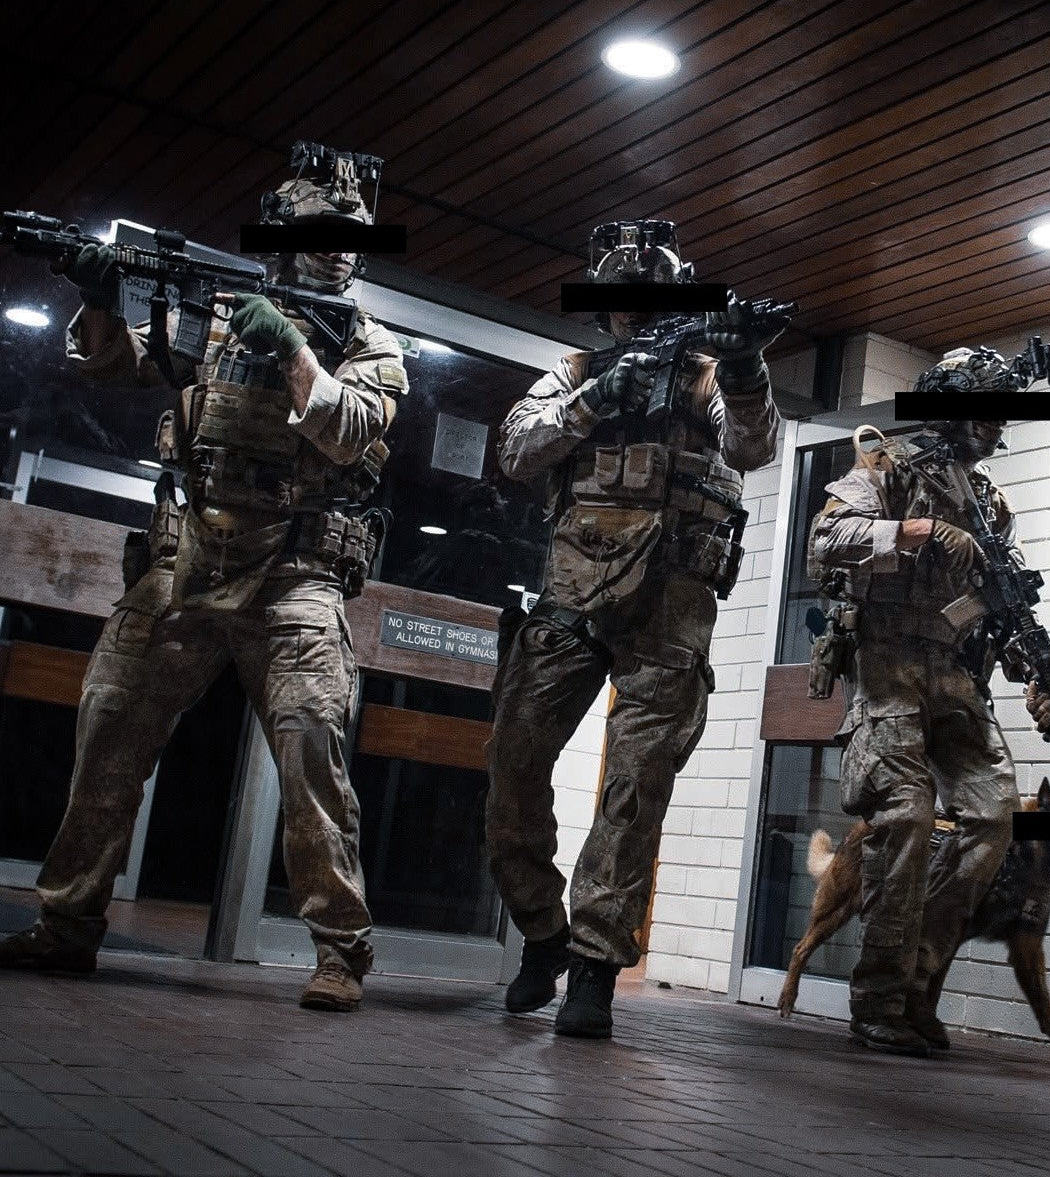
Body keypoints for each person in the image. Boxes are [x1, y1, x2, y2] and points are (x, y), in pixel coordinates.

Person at [0, 148, 407, 1012]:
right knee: (110, 722)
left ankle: (341, 951)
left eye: (349, 238)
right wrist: (101, 293)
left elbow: (349, 429)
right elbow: (111, 367)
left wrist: (292, 345)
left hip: (295, 570)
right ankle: (68, 924)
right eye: (317, 234)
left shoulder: (371, 344)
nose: (335, 250)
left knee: (311, 752)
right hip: (185, 556)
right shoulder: (217, 313)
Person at [485, 220, 783, 1038]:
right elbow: (515, 450)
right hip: (573, 592)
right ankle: (543, 934)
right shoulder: (576, 369)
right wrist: (594, 400)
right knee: (512, 770)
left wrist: (750, 367)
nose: (636, 316)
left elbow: (754, 448)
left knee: (633, 791)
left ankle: (592, 967)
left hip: (671, 601)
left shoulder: (709, 375)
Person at [806, 348, 1050, 1056]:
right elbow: (826, 542)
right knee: (908, 817)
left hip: (954, 674)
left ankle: (916, 982)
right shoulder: (888, 468)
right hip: (888, 664)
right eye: (987, 406)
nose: (997, 422)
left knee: (993, 819)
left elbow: (993, 606)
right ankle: (877, 998)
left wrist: (1033, 674)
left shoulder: (989, 501)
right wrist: (918, 532)